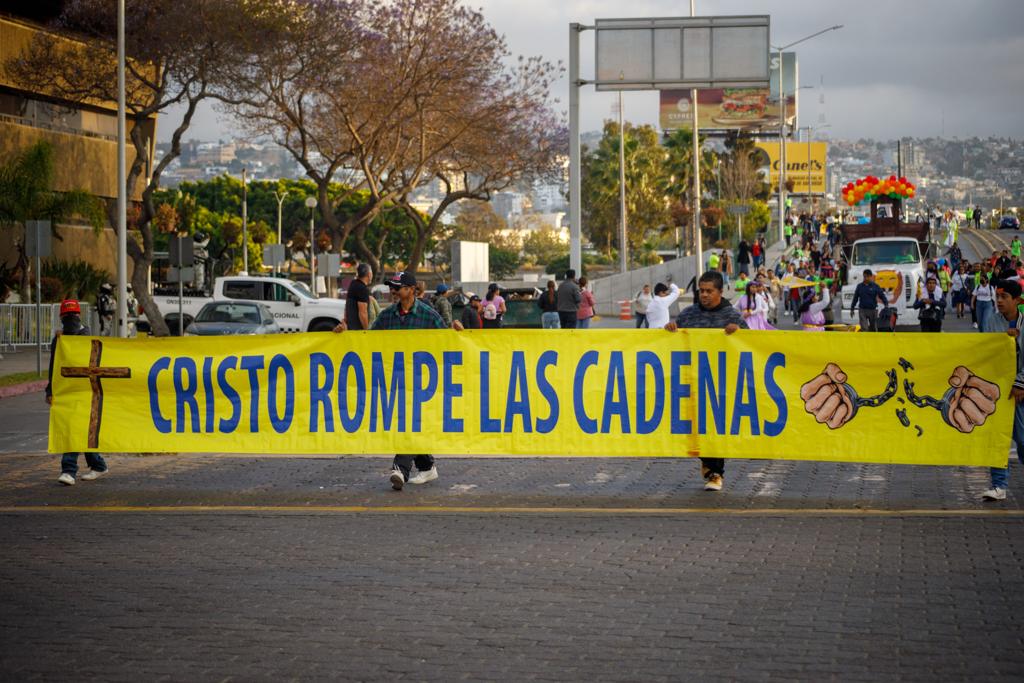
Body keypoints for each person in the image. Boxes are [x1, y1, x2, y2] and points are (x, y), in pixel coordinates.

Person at [332, 271, 463, 490]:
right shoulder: (387, 316)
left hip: (422, 384)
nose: (393, 291)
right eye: (392, 287)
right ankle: (427, 466)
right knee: (406, 423)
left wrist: (458, 332)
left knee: (409, 423)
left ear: (411, 290)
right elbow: (368, 340)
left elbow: (447, 339)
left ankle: (399, 469)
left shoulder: (428, 315)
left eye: (398, 287)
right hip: (396, 383)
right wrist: (344, 334)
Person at [664, 271, 747, 492]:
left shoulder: (733, 316)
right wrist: (671, 329)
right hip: (692, 382)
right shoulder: (688, 314)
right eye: (701, 291)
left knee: (715, 427)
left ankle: (715, 472)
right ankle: (708, 465)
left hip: (721, 384)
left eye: (709, 291)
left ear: (720, 292)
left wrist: (738, 333)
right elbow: (674, 338)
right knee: (698, 428)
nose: (705, 295)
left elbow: (750, 344)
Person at [47, 299, 109, 486]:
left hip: (86, 391)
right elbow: (53, 367)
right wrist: (49, 390)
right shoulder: (59, 341)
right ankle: (98, 464)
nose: (70, 320)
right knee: (77, 429)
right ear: (61, 317)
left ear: (79, 316)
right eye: (67, 317)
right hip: (67, 391)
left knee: (75, 428)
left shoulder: (86, 338)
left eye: (72, 316)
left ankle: (68, 470)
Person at [981, 279, 1024, 501]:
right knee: (996, 439)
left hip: (1020, 391)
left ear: (1017, 300)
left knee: (1022, 438)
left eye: (1004, 297)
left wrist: (1020, 383)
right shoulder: (992, 321)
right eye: (997, 297)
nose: (999, 301)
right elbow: (988, 353)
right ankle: (999, 486)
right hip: (999, 390)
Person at [344, 263, 373, 330]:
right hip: (358, 330)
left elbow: (347, 305)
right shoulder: (362, 288)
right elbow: (363, 313)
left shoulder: (353, 284)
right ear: (369, 274)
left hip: (350, 328)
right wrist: (366, 330)